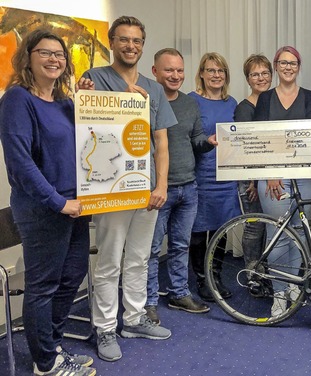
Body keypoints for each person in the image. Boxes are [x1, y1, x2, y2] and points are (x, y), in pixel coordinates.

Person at [0, 28, 96, 376]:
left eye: (60, 54)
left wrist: (86, 103)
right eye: (46, 52)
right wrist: (58, 202)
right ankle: (45, 363)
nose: (54, 59)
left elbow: (90, 142)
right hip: (44, 209)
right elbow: (20, 163)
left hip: (76, 206)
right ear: (28, 57)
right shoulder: (16, 100)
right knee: (43, 286)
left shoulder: (64, 102)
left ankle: (53, 347)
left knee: (71, 278)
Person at [82, 15, 175, 362]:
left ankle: (134, 320)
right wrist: (90, 97)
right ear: (112, 42)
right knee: (109, 262)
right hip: (110, 188)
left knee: (139, 258)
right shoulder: (95, 80)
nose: (130, 46)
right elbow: (86, 127)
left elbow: (161, 143)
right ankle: (105, 327)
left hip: (146, 186)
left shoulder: (153, 89)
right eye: (124, 40)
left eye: (136, 41)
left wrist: (161, 184)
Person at [144, 48, 218, 324]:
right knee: (150, 250)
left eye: (179, 70)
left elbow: (196, 138)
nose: (175, 76)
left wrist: (208, 143)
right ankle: (148, 302)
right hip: (157, 189)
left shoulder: (189, 103)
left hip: (189, 186)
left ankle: (178, 292)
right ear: (155, 72)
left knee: (180, 245)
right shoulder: (146, 101)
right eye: (168, 70)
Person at [254, 45, 311, 317]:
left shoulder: (310, 97)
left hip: (304, 174)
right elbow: (259, 137)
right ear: (276, 66)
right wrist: (270, 171)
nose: (288, 67)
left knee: (298, 233)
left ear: (299, 66)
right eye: (283, 63)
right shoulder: (266, 98)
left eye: (293, 63)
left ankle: (295, 285)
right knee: (277, 232)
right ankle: (280, 292)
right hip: (273, 176)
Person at [188, 52, 241, 302]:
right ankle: (201, 278)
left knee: (222, 230)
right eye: (210, 70)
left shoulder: (233, 104)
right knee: (198, 232)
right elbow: (186, 138)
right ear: (201, 73)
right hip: (200, 175)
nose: (216, 75)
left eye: (220, 71)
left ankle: (215, 276)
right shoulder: (191, 101)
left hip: (226, 177)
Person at [234, 54, 272, 273]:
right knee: (254, 226)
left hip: (270, 176)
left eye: (265, 73)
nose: (261, 78)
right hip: (251, 179)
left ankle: (265, 270)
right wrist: (253, 182)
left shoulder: (274, 102)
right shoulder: (244, 108)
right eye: (255, 74)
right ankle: (251, 273)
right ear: (248, 79)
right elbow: (246, 148)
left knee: (270, 227)